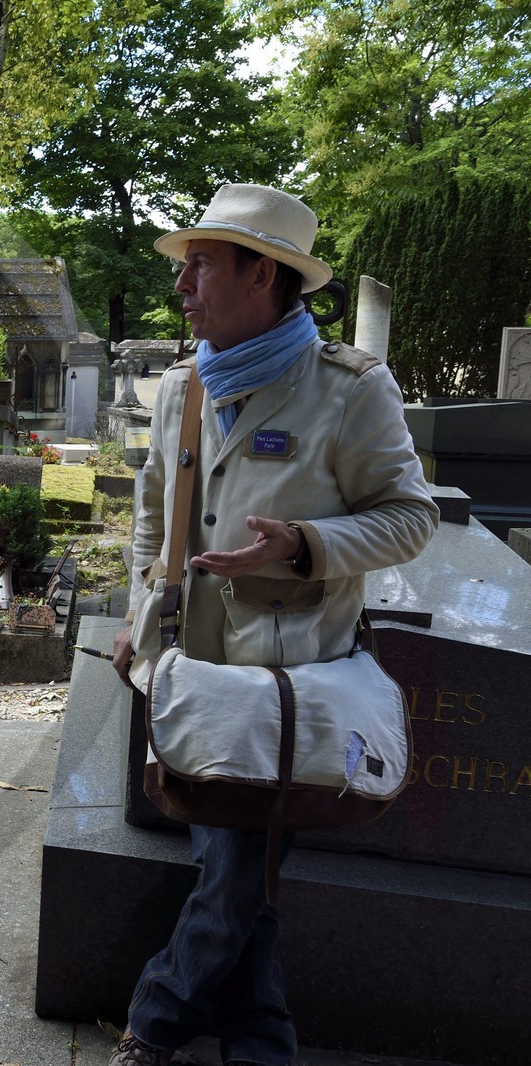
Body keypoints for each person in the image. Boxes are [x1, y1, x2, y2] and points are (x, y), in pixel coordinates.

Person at [107, 184, 438, 1066]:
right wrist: (141, 615)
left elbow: (409, 517)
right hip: (191, 666)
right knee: (240, 864)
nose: (182, 288)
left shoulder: (348, 391)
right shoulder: (183, 385)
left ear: (264, 274)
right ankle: (262, 1042)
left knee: (231, 863)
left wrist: (302, 545)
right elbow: (152, 517)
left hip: (286, 677)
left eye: (202, 265)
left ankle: (156, 1022)